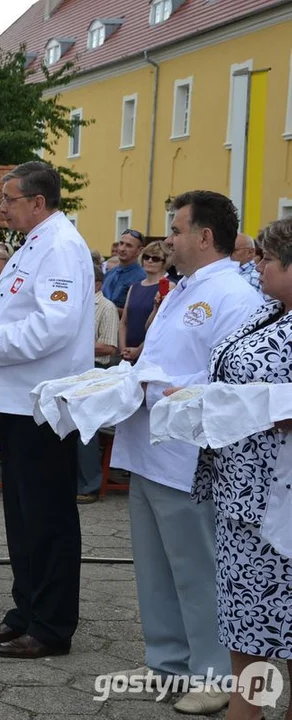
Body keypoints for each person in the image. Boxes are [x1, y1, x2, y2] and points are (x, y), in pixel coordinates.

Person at [108, 190, 264, 716]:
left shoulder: (234, 295)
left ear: (203, 236)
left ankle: (215, 672)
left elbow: (229, 373)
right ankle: (166, 660)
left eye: (175, 231)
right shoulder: (181, 289)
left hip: (188, 451)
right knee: (154, 565)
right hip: (150, 441)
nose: (166, 240)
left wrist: (164, 384)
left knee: (197, 566)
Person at [0, 162, 93, 659]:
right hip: (18, 399)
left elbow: (53, 327)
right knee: (21, 515)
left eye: (8, 199)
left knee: (48, 517)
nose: (1, 207)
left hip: (42, 402)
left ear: (38, 202)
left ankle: (52, 625)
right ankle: (25, 611)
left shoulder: (60, 245)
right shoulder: (35, 242)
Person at [191, 217, 292, 720]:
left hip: (281, 504)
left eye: (268, 261)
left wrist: (256, 405)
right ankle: (245, 709)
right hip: (242, 494)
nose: (258, 268)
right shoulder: (271, 313)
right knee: (246, 624)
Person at [76, 264, 121, 504]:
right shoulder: (76, 305)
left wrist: (75, 343)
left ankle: (90, 484)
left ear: (97, 284)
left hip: (96, 371)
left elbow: (110, 347)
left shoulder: (105, 307)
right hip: (76, 369)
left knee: (85, 427)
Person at [119, 241, 173, 364]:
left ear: (165, 263)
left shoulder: (169, 287)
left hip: (151, 354)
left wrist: (139, 350)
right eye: (146, 257)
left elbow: (161, 327)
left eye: (155, 258)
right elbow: (124, 322)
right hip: (128, 354)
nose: (149, 261)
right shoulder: (134, 287)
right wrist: (123, 349)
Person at [103, 229, 147, 311]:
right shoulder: (109, 274)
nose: (122, 249)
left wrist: (108, 309)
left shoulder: (142, 278)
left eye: (128, 245)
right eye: (121, 243)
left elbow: (138, 312)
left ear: (139, 251)